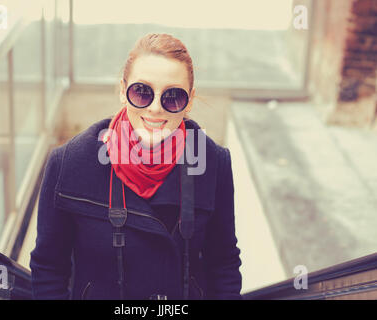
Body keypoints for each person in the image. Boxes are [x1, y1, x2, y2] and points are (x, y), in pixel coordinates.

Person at [30, 33, 242, 300]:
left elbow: (223, 264)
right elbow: (49, 267)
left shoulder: (213, 163)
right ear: (122, 91)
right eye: (141, 92)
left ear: (189, 100)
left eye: (173, 96)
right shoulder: (69, 163)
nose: (155, 109)